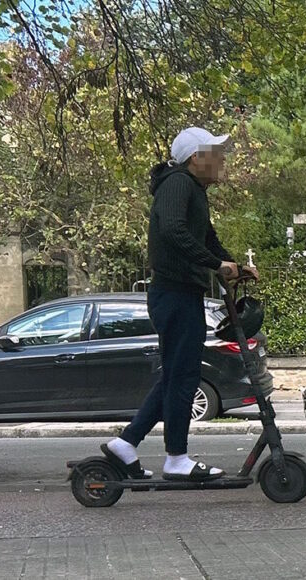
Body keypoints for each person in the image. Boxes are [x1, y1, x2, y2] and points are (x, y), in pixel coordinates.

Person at [100, 127, 257, 481]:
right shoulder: (178, 184)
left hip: (181, 294)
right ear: (194, 158)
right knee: (183, 376)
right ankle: (176, 458)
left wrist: (235, 267)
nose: (221, 159)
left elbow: (207, 238)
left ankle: (126, 444)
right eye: (215, 152)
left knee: (176, 375)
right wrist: (215, 265)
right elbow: (173, 230)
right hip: (174, 295)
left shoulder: (194, 191)